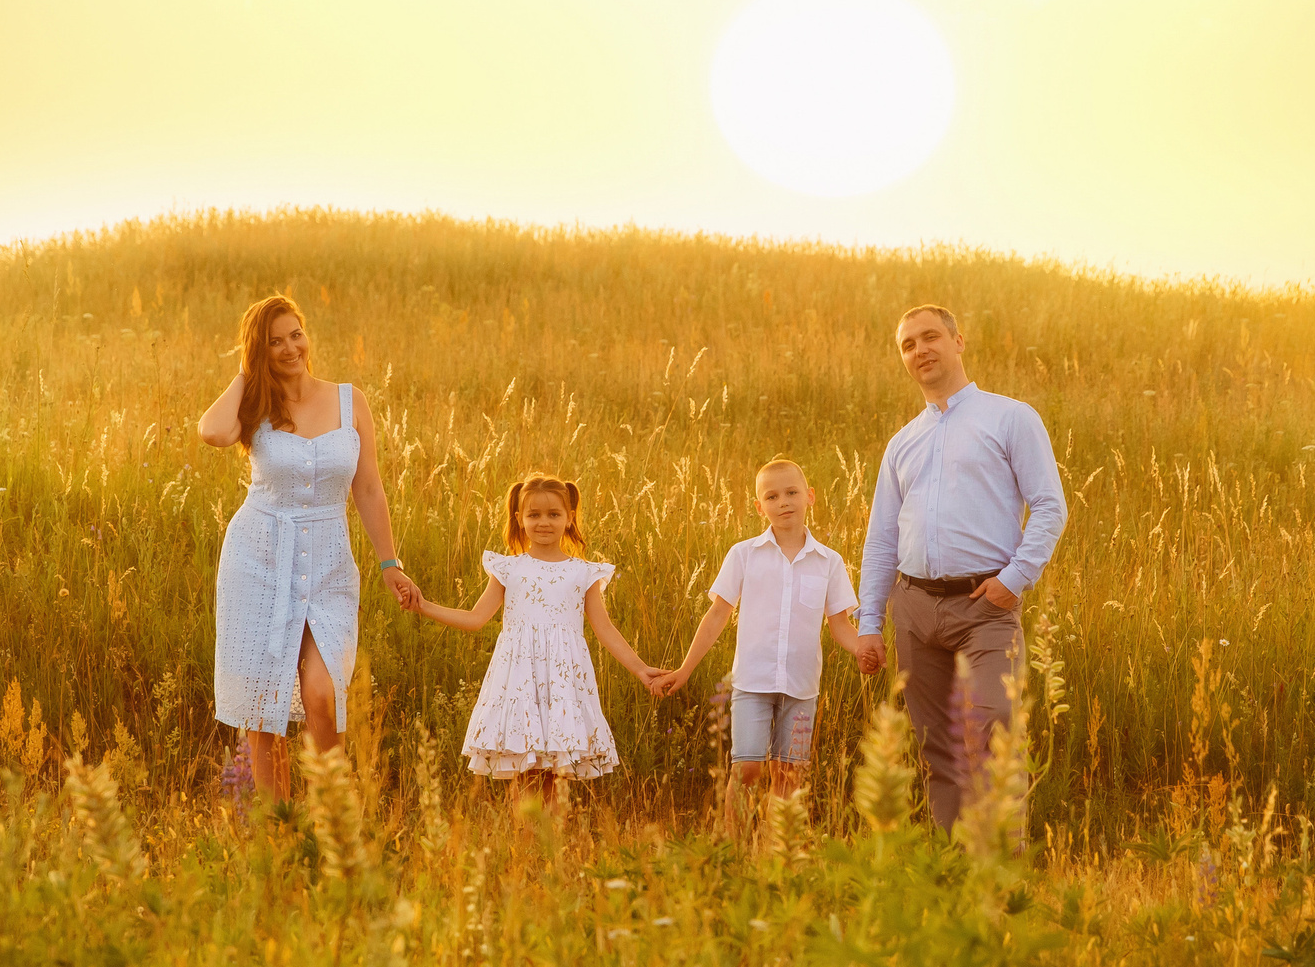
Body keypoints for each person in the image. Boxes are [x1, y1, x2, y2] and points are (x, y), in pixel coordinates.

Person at [197, 293, 420, 803]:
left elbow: (367, 488)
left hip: (328, 565)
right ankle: (278, 833)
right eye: (274, 342)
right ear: (259, 352)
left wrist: (390, 563)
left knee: (322, 690)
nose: (290, 347)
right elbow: (212, 431)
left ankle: (335, 823)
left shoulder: (350, 400)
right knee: (265, 707)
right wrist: (244, 373)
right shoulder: (254, 405)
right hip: (258, 558)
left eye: (295, 334)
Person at [854, 304, 1066, 828]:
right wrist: (869, 622)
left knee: (993, 731)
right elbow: (881, 538)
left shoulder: (1010, 417)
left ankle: (999, 869)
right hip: (914, 612)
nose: (920, 350)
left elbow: (1050, 506)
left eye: (930, 337)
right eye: (908, 344)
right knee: (935, 749)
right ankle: (952, 871)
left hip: (985, 609)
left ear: (958, 342)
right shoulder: (901, 443)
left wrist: (1014, 580)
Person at [410, 473, 659, 799]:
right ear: (519, 519)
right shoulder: (509, 568)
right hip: (520, 682)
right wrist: (424, 606)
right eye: (534, 515)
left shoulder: (582, 572)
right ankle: (525, 844)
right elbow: (475, 619)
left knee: (556, 775)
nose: (544, 522)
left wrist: (641, 670)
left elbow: (605, 628)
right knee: (524, 770)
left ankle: (552, 843)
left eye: (554, 514)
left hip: (563, 682)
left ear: (570, 518)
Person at [651, 458, 860, 799]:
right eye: (772, 496)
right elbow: (717, 614)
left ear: (810, 496)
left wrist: (863, 649)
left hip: (802, 685)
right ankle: (733, 848)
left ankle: (779, 849)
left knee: (789, 775)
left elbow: (840, 625)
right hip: (752, 682)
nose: (783, 502)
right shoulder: (744, 555)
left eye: (791, 492)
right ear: (759, 506)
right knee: (747, 769)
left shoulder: (829, 562)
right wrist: (685, 670)